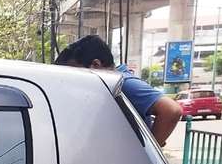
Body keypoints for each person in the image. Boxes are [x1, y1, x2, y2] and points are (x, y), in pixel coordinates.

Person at [55, 35, 183, 146]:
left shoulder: (122, 84)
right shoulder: (109, 85)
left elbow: (171, 110)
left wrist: (149, 151)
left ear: (96, 65)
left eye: (76, 73)